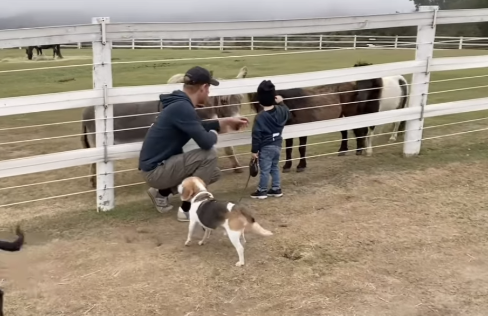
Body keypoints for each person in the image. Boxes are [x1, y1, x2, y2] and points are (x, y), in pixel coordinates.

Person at [139, 66, 249, 221]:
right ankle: (187, 209)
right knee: (209, 155)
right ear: (203, 88)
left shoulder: (180, 104)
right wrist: (216, 131)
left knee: (213, 172)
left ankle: (161, 192)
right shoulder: (183, 108)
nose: (209, 93)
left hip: (157, 167)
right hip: (155, 171)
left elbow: (197, 126)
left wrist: (225, 121)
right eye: (209, 89)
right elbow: (205, 142)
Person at [250, 80, 290, 199]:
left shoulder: (260, 117)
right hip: (277, 144)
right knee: (274, 166)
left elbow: (256, 135)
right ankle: (276, 188)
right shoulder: (281, 110)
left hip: (265, 146)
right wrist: (282, 103)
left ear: (260, 100)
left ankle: (262, 190)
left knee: (265, 169)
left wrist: (254, 151)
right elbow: (288, 113)